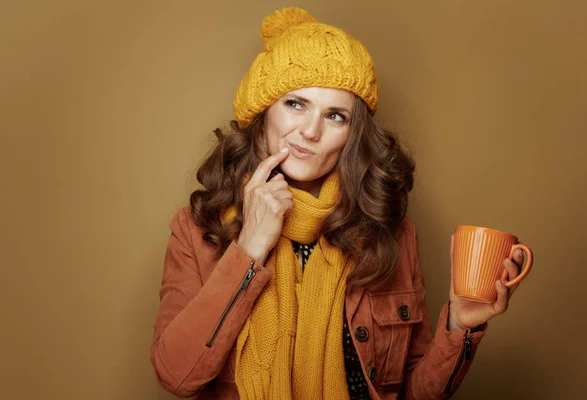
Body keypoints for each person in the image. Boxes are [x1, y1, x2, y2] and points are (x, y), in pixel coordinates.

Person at [150, 7, 525, 400]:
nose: (310, 131)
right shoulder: (197, 230)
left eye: (335, 116)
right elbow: (177, 376)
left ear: (352, 134)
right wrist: (249, 248)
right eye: (295, 104)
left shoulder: (390, 234)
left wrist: (461, 327)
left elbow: (413, 392)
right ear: (263, 112)